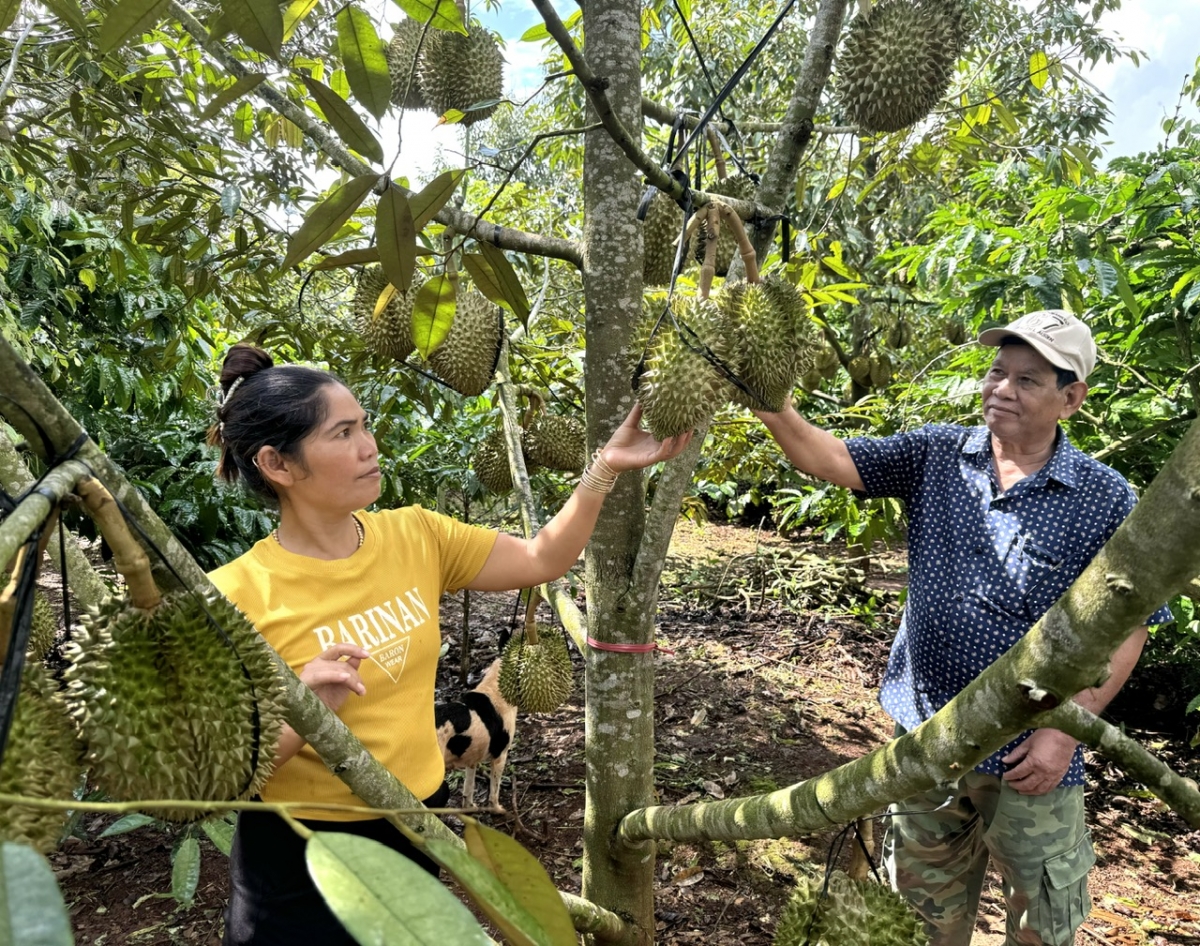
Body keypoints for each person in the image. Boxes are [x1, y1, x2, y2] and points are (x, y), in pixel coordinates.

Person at [205, 343, 691, 946]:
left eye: (366, 427)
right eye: (344, 433)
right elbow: (216, 777)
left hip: (417, 817)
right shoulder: (233, 595)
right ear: (279, 464)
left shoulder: (417, 534)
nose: (369, 446)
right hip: (303, 850)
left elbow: (543, 557)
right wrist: (302, 713)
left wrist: (605, 469)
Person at [753, 309, 1172, 946]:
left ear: (1071, 399)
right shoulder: (937, 454)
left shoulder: (1103, 496)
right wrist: (768, 401)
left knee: (1041, 920)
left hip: (1033, 750)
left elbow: (1131, 624)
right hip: (924, 739)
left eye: (1027, 380)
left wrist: (1068, 733)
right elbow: (830, 457)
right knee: (919, 913)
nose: (1001, 388)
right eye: (997, 372)